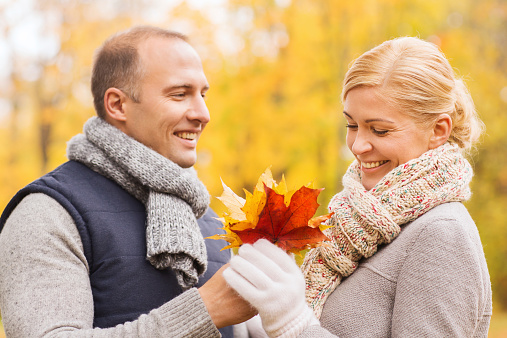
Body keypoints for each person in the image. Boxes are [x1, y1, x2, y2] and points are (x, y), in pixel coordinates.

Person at [224, 36, 492, 337]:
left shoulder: (442, 234)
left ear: (438, 130)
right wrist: (255, 319)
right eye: (352, 125)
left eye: (379, 130)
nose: (358, 145)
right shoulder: (353, 226)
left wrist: (294, 326)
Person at [0, 25, 255, 337]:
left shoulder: (208, 221)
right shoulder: (48, 211)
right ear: (118, 105)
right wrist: (205, 310)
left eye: (202, 94)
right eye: (179, 94)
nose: (203, 113)